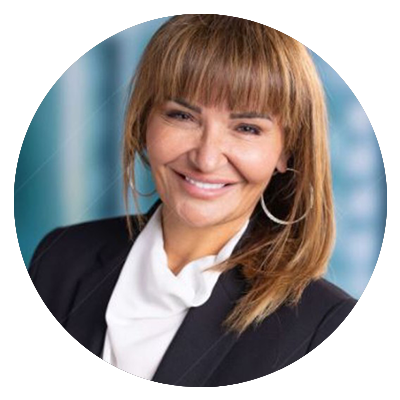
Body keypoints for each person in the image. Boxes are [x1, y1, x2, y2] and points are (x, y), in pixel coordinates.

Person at [29, 14, 357, 386]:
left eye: (247, 128)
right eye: (182, 116)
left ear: (287, 151)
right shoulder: (60, 257)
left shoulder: (323, 328)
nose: (206, 159)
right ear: (144, 122)